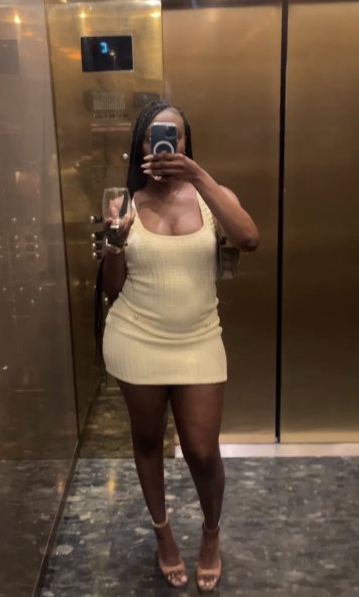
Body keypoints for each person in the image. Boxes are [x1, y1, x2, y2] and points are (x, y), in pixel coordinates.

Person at [97, 100, 259, 591]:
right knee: (148, 441)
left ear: (187, 142)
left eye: (174, 134)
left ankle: (211, 533)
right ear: (141, 145)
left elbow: (249, 238)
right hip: (135, 338)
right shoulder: (124, 203)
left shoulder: (212, 196)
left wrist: (197, 175)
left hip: (199, 339)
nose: (164, 143)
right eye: (153, 135)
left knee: (202, 450)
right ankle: (163, 533)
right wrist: (115, 242)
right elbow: (112, 288)